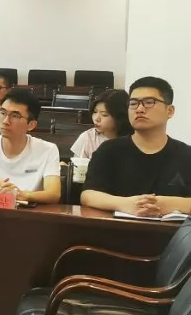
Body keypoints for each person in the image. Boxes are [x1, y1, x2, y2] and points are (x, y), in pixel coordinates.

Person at [81, 77, 191, 216]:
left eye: (149, 102)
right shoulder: (109, 150)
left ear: (170, 111)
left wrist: (165, 204)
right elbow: (88, 195)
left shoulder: (186, 155)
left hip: (174, 230)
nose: (139, 109)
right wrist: (126, 204)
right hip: (118, 227)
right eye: (133, 103)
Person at [0, 88, 61, 204]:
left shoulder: (48, 150)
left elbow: (54, 194)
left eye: (15, 116)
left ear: (31, 125)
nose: (5, 121)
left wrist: (23, 195)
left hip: (30, 211)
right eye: (2, 113)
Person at [71, 89, 132, 160]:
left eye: (104, 115)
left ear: (120, 117)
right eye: (95, 112)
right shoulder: (87, 137)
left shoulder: (134, 139)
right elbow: (77, 165)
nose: (96, 119)